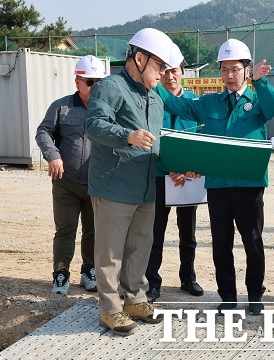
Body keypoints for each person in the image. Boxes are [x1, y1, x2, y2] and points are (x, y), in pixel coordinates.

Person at [155, 38, 274, 315]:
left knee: (253, 241)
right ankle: (227, 297)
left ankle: (254, 296)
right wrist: (155, 84)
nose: (230, 75)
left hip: (248, 184)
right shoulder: (210, 101)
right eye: (224, 70)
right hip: (217, 185)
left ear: (246, 70)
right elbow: (180, 108)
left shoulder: (258, 100)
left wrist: (261, 83)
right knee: (221, 244)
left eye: (235, 69)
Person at [85, 28, 177, 336]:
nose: (162, 73)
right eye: (159, 66)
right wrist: (127, 135)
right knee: (110, 252)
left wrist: (176, 165)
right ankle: (110, 309)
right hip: (113, 186)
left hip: (145, 187)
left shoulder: (155, 99)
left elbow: (156, 142)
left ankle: (135, 299)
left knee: (140, 246)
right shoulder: (110, 87)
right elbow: (94, 125)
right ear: (139, 58)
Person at [35, 55, 106, 295]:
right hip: (66, 184)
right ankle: (61, 275)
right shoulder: (61, 107)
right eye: (90, 81)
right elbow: (43, 131)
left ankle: (89, 271)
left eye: (98, 81)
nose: (95, 86)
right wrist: (53, 155)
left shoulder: (108, 110)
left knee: (93, 230)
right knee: (65, 229)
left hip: (96, 183)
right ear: (78, 82)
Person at [145, 47, 204, 303]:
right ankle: (151, 282)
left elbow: (201, 139)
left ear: (183, 73)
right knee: (154, 233)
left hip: (188, 177)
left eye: (175, 71)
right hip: (160, 175)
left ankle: (187, 278)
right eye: (166, 70)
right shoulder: (152, 100)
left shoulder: (194, 103)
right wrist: (168, 167)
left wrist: (189, 169)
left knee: (187, 233)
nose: (170, 76)